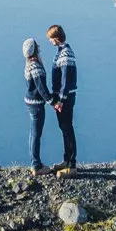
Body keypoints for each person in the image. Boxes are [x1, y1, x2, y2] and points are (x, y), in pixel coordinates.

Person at [46, 23, 77, 173]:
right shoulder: (61, 52)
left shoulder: (65, 54)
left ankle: (72, 164)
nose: (50, 41)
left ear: (56, 38)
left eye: (51, 38)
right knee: (64, 128)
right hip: (61, 97)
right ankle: (66, 160)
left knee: (67, 128)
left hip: (65, 98)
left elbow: (65, 80)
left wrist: (60, 100)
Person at [23, 38, 51, 171]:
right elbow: (42, 88)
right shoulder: (36, 67)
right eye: (37, 46)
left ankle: (34, 162)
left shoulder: (28, 64)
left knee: (33, 133)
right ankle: (36, 165)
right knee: (36, 134)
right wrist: (52, 102)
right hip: (36, 104)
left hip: (30, 102)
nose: (39, 48)